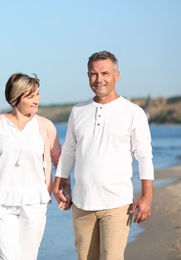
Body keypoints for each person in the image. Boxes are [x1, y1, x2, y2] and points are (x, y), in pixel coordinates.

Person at [53, 50, 154, 260]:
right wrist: (59, 181)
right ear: (88, 76)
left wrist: (147, 196)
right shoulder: (78, 111)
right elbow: (69, 149)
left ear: (116, 75)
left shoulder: (133, 112)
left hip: (117, 203)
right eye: (93, 74)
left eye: (105, 73)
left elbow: (144, 156)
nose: (99, 79)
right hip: (82, 202)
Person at [0, 72, 71, 259]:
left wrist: (63, 188)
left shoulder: (45, 126)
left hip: (34, 201)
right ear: (15, 98)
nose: (37, 100)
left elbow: (59, 160)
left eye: (37, 94)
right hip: (0, 200)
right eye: (31, 96)